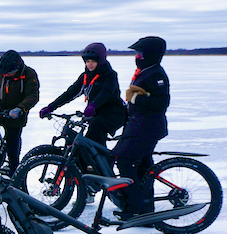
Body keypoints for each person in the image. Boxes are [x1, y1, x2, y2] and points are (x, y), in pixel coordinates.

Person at [111, 36, 171, 219]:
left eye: (140, 53)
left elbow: (162, 102)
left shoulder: (156, 74)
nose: (137, 56)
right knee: (143, 168)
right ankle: (144, 210)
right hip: (139, 126)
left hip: (146, 129)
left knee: (123, 160)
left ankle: (136, 208)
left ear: (150, 55)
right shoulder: (146, 71)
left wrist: (135, 98)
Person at [38, 42, 125, 147]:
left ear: (100, 61)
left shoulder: (110, 75)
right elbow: (70, 93)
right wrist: (50, 107)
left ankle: (105, 162)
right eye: (87, 61)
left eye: (93, 61)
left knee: (95, 132)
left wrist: (93, 105)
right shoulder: (85, 76)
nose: (90, 64)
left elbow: (106, 92)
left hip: (114, 113)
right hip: (96, 113)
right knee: (86, 142)